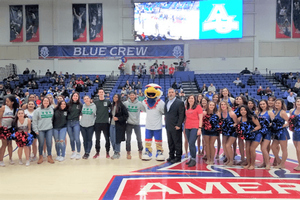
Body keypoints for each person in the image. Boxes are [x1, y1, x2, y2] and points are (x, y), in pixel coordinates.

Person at [164, 88, 185, 164]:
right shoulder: (166, 102)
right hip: (168, 126)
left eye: (172, 92)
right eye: (169, 92)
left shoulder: (179, 102)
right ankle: (171, 155)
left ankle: (178, 157)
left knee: (177, 142)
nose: (171, 94)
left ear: (175, 93)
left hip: (176, 126)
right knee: (170, 142)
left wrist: (179, 125)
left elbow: (181, 115)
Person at [238, 105, 261, 170]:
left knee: (252, 149)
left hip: (256, 134)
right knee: (247, 149)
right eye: (241, 110)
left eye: (244, 110)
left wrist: (251, 130)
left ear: (247, 110)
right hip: (248, 136)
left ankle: (252, 164)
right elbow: (237, 126)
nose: (243, 111)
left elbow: (259, 126)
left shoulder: (252, 117)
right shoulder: (240, 118)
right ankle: (248, 163)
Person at [32, 97, 54, 164]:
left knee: (49, 143)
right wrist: (35, 130)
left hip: (49, 129)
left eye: (47, 101)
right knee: (41, 143)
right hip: (40, 129)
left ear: (49, 102)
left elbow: (53, 119)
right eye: (44, 101)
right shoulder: (37, 110)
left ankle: (49, 156)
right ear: (42, 101)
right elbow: (34, 121)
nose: (46, 102)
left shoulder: (51, 109)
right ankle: (40, 156)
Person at [123, 91, 145, 159]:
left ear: (135, 96)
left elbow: (146, 110)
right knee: (128, 139)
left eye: (133, 95)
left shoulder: (139, 104)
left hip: (136, 124)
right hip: (129, 123)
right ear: (129, 96)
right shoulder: (125, 103)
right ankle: (128, 152)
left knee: (139, 138)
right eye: (131, 95)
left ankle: (140, 151)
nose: (132, 96)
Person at [0, 95, 19, 167]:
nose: (6, 102)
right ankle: (1, 160)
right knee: (4, 144)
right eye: (6, 101)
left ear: (12, 102)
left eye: (8, 101)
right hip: (3, 128)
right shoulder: (3, 108)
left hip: (10, 128)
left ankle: (11, 158)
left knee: (10, 144)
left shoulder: (15, 109)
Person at [184, 95, 203, 167]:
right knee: (190, 143)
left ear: (194, 99)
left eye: (192, 98)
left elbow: (200, 118)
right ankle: (191, 158)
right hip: (187, 127)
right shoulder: (186, 107)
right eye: (189, 98)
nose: (190, 100)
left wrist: (200, 128)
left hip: (195, 127)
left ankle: (194, 159)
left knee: (192, 142)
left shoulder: (198, 107)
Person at [271, 99, 290, 169]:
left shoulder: (282, 112)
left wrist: (283, 126)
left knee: (284, 148)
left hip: (282, 132)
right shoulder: (275, 112)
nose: (277, 104)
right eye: (276, 103)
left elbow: (289, 121)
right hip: (276, 132)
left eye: (278, 103)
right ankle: (278, 160)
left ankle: (282, 164)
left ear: (282, 104)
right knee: (273, 147)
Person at [93, 89, 111, 159]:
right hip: (97, 123)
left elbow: (112, 110)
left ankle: (107, 152)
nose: (101, 93)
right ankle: (97, 152)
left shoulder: (108, 102)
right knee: (97, 139)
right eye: (99, 92)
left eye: (102, 92)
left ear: (104, 93)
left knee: (107, 139)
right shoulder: (95, 102)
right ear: (98, 93)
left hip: (106, 123)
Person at [110, 94, 128, 159]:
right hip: (112, 125)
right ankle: (115, 151)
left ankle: (117, 152)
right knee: (112, 139)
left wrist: (118, 118)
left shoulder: (122, 106)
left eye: (116, 97)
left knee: (117, 139)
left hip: (118, 125)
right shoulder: (112, 105)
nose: (115, 98)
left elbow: (126, 116)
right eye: (114, 97)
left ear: (119, 98)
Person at [220, 100, 238, 166]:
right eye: (222, 104)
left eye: (224, 104)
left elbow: (236, 123)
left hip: (233, 131)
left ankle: (231, 160)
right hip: (225, 131)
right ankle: (228, 159)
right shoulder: (221, 113)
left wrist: (232, 126)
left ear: (227, 105)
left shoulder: (231, 113)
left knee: (228, 145)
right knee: (224, 144)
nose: (223, 106)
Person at [257, 99, 274, 170]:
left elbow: (274, 123)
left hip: (267, 132)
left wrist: (270, 124)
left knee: (263, 148)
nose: (262, 105)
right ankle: (264, 162)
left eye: (263, 104)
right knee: (265, 149)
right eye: (261, 104)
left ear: (266, 104)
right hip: (260, 132)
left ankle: (268, 164)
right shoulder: (259, 113)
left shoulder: (270, 113)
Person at [67, 92, 82, 160]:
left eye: (77, 96)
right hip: (68, 123)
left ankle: (78, 152)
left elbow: (82, 113)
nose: (75, 97)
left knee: (77, 138)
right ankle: (73, 152)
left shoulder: (80, 105)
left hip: (76, 122)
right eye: (74, 96)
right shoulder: (68, 104)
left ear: (78, 97)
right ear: (72, 97)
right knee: (71, 138)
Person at [290, 98, 300, 171]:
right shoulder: (291, 111)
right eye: (298, 101)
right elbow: (290, 121)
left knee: (299, 149)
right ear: (295, 103)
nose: (299, 102)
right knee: (297, 149)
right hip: (295, 132)